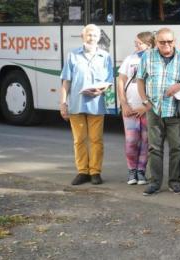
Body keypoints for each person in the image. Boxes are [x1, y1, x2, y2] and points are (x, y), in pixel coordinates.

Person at [135, 28, 180, 195]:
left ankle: (175, 182)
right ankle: (155, 183)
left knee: (177, 147)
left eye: (169, 41)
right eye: (162, 42)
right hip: (154, 109)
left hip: (176, 110)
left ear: (174, 41)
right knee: (155, 148)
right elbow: (140, 80)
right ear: (156, 42)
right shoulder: (148, 56)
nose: (166, 45)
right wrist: (145, 101)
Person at [60, 24, 113, 186]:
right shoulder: (72, 55)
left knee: (96, 140)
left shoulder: (105, 56)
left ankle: (95, 172)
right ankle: (82, 172)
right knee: (79, 140)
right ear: (83, 36)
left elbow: (109, 81)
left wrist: (100, 91)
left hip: (96, 104)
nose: (92, 38)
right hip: (76, 104)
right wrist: (63, 103)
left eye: (95, 35)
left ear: (99, 37)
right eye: (89, 35)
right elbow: (66, 81)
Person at [116, 31, 154, 186]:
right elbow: (121, 81)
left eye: (139, 43)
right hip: (130, 107)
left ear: (149, 44)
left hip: (147, 108)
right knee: (131, 141)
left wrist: (146, 106)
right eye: (135, 43)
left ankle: (141, 171)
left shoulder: (154, 59)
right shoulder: (130, 59)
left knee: (146, 141)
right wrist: (124, 103)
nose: (136, 45)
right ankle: (132, 170)